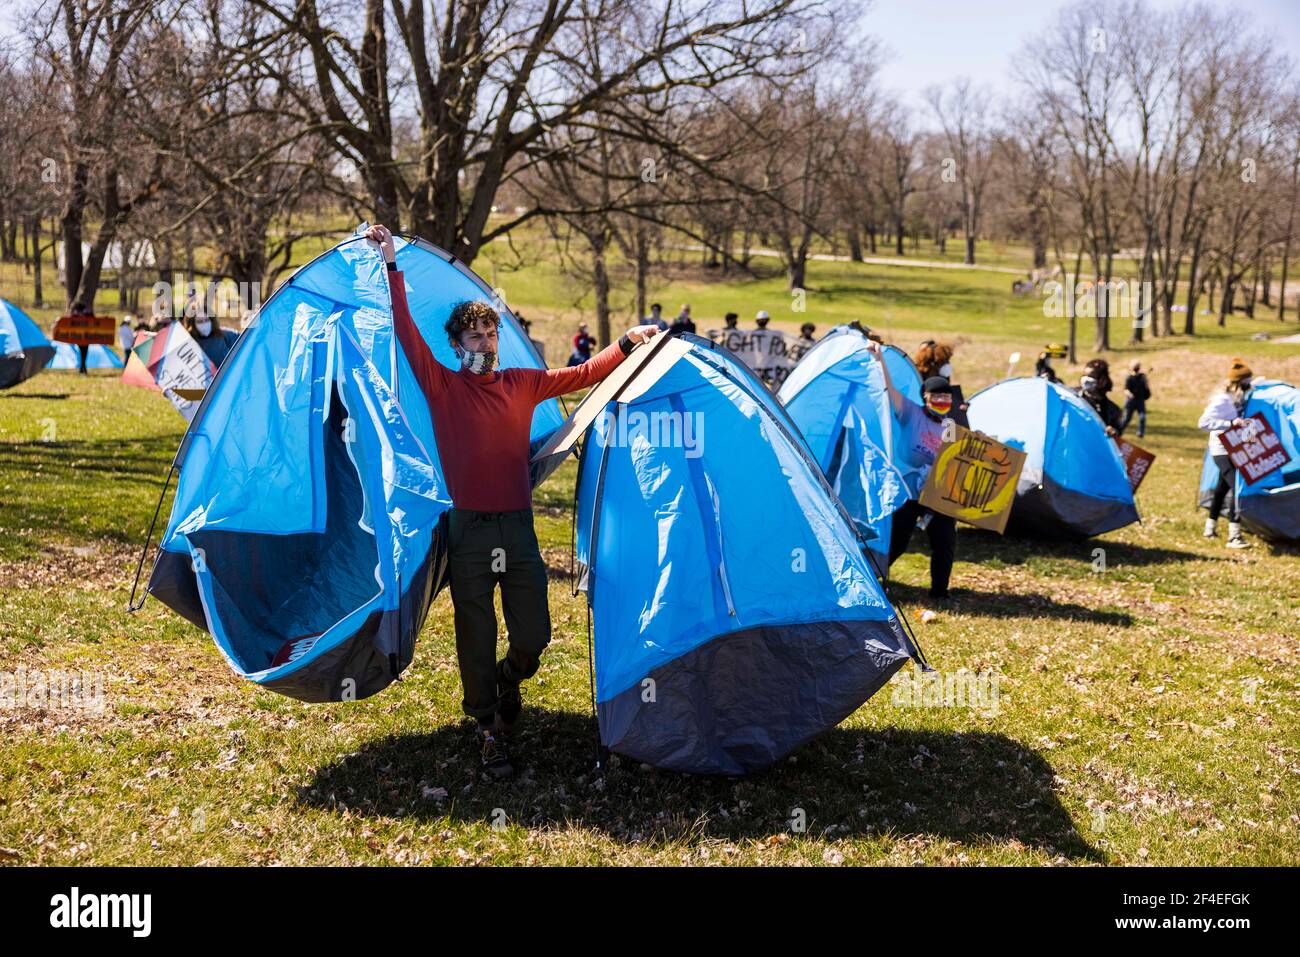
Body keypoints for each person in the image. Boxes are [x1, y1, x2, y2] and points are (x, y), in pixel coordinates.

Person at [365, 223, 659, 780]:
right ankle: (486, 727)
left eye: (491, 333)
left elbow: (580, 375)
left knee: (535, 635)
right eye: (475, 337)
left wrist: (627, 341)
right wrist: (391, 264)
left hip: (517, 528)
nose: (486, 344)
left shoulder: (522, 383)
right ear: (456, 346)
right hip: (468, 528)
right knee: (474, 630)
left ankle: (510, 679)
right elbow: (405, 333)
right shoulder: (443, 386)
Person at [868, 339, 958, 601]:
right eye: (936, 397)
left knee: (944, 542)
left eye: (946, 397)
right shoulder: (910, 412)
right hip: (908, 490)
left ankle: (940, 592)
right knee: (897, 541)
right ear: (925, 398)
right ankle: (874, 581)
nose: (941, 401)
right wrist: (879, 359)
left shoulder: (951, 424)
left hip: (938, 493)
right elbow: (888, 389)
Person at [1198, 358, 1255, 549]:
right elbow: (1203, 422)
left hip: (1234, 448)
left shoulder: (1237, 398)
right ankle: (1234, 536)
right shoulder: (1222, 400)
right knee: (1238, 488)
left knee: (1222, 489)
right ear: (1238, 383)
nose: (1249, 386)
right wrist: (1230, 424)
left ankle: (1210, 527)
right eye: (1247, 382)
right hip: (1221, 450)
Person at [1075, 358, 1123, 436]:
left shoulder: (1113, 410)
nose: (1085, 379)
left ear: (1103, 380)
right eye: (1084, 375)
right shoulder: (1073, 397)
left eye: (1091, 376)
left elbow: (1118, 432)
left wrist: (1113, 431)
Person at [1122, 360, 1151, 438]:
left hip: (1140, 400)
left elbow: (1146, 387)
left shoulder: (1142, 377)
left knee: (1142, 417)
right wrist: (1130, 394)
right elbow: (1126, 389)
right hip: (1131, 401)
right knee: (1127, 419)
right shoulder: (1129, 378)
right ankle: (1119, 431)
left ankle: (1140, 433)